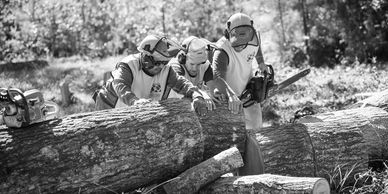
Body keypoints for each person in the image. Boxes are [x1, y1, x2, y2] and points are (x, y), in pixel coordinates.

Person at [210, 13, 269, 175]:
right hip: (227, 94)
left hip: (248, 89)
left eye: (245, 40)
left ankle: (256, 167)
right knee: (232, 139)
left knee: (255, 129)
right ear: (230, 34)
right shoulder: (222, 50)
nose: (242, 46)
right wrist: (230, 95)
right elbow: (217, 76)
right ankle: (233, 172)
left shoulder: (254, 37)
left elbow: (257, 49)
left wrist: (262, 64)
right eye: (238, 42)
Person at [93, 34, 207, 116]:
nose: (161, 67)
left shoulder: (166, 70)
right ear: (146, 57)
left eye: (165, 62)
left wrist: (196, 95)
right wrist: (135, 102)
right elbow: (120, 86)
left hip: (131, 113)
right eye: (157, 62)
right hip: (109, 105)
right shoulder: (128, 65)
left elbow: (182, 84)